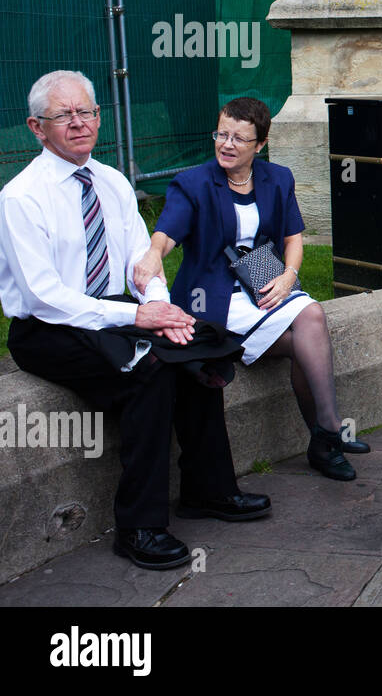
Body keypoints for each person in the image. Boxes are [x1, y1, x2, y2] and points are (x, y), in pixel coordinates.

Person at [0, 70, 270, 571]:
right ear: (38, 128)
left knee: (195, 352)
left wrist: (163, 309)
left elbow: (139, 262)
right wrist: (139, 315)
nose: (81, 123)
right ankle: (139, 527)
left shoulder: (113, 181)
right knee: (149, 372)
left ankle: (208, 490)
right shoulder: (21, 197)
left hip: (109, 312)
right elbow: (44, 297)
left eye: (89, 112)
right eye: (65, 116)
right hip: (48, 329)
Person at [132, 97, 367, 482]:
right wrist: (154, 253)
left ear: (260, 144)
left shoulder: (279, 178)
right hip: (213, 296)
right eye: (221, 134)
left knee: (309, 321)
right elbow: (167, 231)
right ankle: (328, 431)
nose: (227, 144)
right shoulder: (192, 183)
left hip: (263, 279)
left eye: (240, 138)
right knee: (310, 331)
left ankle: (324, 438)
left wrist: (290, 275)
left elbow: (293, 238)